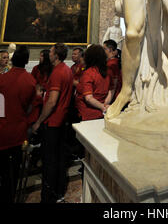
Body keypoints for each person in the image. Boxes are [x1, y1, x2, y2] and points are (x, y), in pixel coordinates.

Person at [32, 43, 73, 203]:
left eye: (51, 51)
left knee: (49, 161)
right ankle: (59, 191)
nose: (49, 54)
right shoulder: (66, 69)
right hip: (61, 120)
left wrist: (38, 121)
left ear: (56, 55)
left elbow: (52, 102)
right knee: (59, 158)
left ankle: (48, 197)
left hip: (53, 122)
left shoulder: (57, 72)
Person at [0, 46, 36, 203]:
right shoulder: (31, 80)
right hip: (19, 130)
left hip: (2, 129)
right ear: (27, 60)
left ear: (13, 60)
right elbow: (31, 106)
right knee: (14, 170)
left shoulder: (3, 79)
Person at [75, 45, 113, 121]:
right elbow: (111, 90)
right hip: (101, 112)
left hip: (87, 113)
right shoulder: (108, 71)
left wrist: (102, 106)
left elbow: (89, 98)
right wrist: (105, 104)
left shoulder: (89, 73)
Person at [103, 40, 122, 106]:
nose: (103, 51)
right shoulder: (111, 62)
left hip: (113, 96)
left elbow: (114, 83)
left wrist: (107, 101)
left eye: (104, 49)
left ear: (110, 49)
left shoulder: (112, 64)